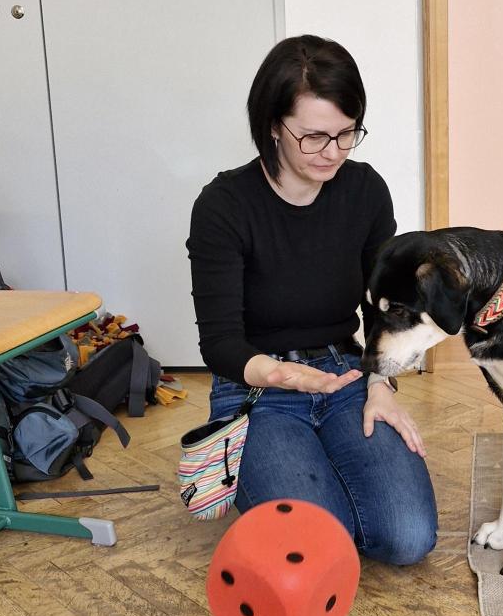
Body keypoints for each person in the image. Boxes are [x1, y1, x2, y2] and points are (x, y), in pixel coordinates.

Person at [187, 35, 437, 566]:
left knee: (408, 538)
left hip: (344, 373)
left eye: (347, 133)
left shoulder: (364, 191)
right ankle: (285, 483)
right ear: (274, 125)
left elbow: (385, 308)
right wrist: (282, 375)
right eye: (314, 137)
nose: (333, 152)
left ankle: (308, 488)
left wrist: (379, 383)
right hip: (257, 388)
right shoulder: (224, 206)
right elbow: (220, 343)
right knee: (320, 546)